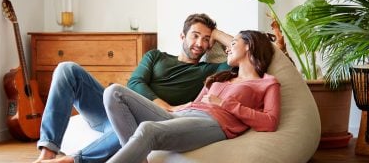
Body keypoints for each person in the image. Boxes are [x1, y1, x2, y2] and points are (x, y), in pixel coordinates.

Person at [34, 13, 233, 163]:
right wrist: (166, 106)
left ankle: (73, 160)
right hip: (110, 109)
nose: (200, 43)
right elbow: (135, 83)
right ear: (182, 36)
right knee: (66, 69)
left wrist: (216, 32)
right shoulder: (156, 56)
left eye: (206, 39)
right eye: (195, 35)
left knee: (140, 125)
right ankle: (48, 153)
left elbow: (239, 55)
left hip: (142, 119)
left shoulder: (210, 70)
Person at [103, 30, 281, 163]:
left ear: (249, 45)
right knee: (114, 92)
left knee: (147, 129)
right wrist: (180, 108)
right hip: (183, 115)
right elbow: (196, 104)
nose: (228, 49)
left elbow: (270, 122)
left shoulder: (267, 83)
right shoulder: (221, 77)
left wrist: (226, 104)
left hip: (213, 123)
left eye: (233, 44)